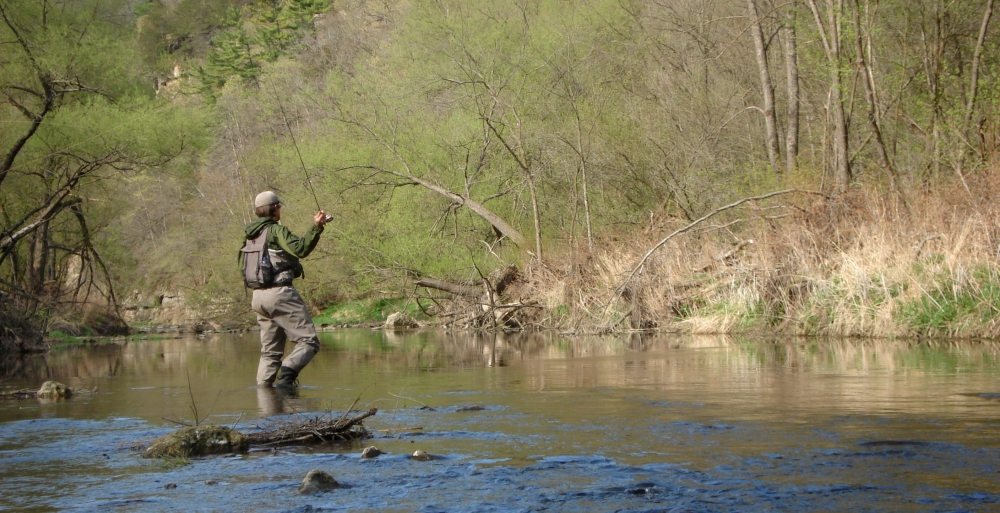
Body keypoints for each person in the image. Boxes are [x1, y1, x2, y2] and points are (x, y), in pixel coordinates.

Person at [242, 191, 327, 388]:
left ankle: (265, 396)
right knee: (309, 341)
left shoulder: (249, 236)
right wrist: (316, 227)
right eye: (279, 206)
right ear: (274, 208)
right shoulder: (274, 231)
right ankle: (287, 375)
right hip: (280, 294)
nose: (280, 209)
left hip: (257, 298)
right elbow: (300, 249)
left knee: (270, 352)